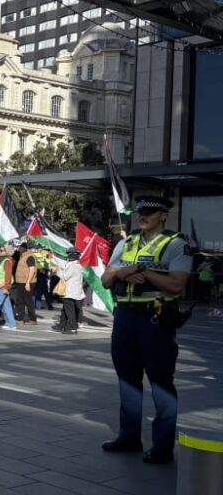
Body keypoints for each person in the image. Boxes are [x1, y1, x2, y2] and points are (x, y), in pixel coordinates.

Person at [100, 195, 191, 465]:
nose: (144, 216)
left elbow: (176, 285)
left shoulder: (175, 244)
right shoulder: (126, 242)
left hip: (155, 320)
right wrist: (121, 273)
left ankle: (162, 447)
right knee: (127, 381)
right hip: (125, 318)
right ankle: (129, 437)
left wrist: (143, 271)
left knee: (161, 383)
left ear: (163, 215)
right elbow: (106, 278)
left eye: (150, 212)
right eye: (141, 212)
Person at [57, 247, 85, 335]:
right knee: (65, 309)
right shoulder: (78, 265)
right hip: (74, 292)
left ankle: (72, 327)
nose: (68, 255)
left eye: (69, 254)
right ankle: (63, 324)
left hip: (70, 292)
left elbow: (64, 277)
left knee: (69, 309)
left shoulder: (72, 266)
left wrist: (58, 270)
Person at [11, 242, 38, 325]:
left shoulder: (29, 256)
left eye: (21, 248)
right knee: (20, 301)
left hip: (27, 283)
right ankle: (20, 318)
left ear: (25, 248)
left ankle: (33, 319)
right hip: (20, 282)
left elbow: (32, 270)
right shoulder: (22, 256)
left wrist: (28, 283)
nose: (19, 249)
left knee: (28, 301)